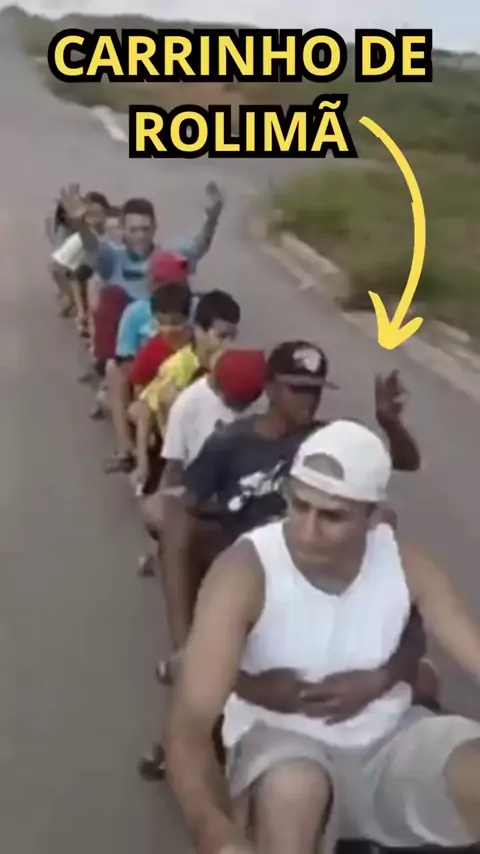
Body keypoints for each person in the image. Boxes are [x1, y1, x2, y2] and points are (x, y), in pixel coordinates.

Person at [165, 420, 480, 854]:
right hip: (281, 747)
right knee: (294, 788)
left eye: (332, 516)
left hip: (389, 743)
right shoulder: (246, 571)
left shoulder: (405, 561)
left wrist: (382, 681)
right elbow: (188, 728)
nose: (307, 530)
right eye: (299, 505)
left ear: (372, 516)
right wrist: (216, 836)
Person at [162, 342, 420, 653]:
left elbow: (405, 462)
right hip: (249, 552)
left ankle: (389, 639)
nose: (309, 399)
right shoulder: (230, 441)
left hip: (312, 548)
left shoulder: (328, 437)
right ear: (269, 388)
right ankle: (185, 650)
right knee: (175, 522)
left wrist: (391, 424)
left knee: (383, 519)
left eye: (315, 390)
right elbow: (188, 501)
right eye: (297, 389)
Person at [136, 349, 268, 579]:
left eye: (248, 402)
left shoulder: (262, 403)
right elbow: (173, 470)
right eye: (237, 402)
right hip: (203, 499)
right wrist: (158, 540)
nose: (242, 409)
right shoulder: (188, 405)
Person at [105, 279, 194, 473]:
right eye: (162, 323)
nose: (168, 329)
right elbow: (139, 385)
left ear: (187, 318)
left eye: (175, 323)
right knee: (145, 414)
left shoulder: (197, 344)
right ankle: (141, 464)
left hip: (188, 400)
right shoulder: (152, 350)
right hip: (156, 403)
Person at [51, 191, 110, 336]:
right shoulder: (81, 237)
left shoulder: (110, 230)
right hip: (86, 271)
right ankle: (82, 313)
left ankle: (81, 311)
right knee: (79, 276)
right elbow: (57, 265)